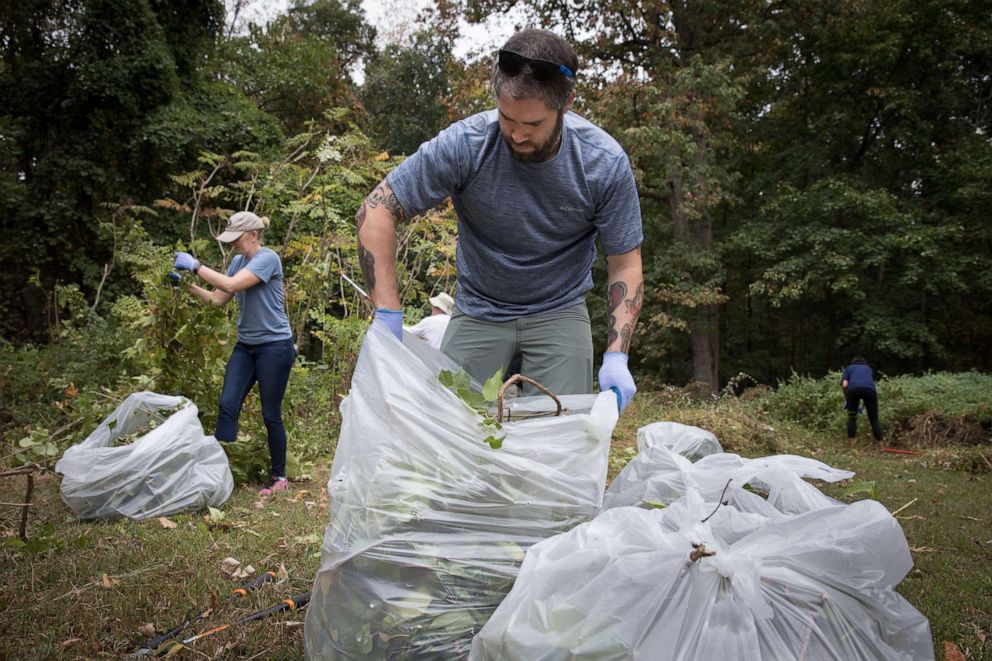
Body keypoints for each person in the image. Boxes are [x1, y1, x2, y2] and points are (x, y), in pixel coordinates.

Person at [356, 29, 644, 411]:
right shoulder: (466, 144)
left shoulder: (602, 163)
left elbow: (625, 262)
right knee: (453, 430)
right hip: (479, 308)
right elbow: (376, 209)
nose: (518, 134)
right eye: (508, 118)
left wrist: (617, 356)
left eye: (534, 124)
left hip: (559, 309)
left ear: (568, 103)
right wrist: (388, 315)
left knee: (557, 437)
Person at [173, 211, 297, 496]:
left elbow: (230, 285)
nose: (233, 246)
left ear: (253, 235)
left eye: (236, 240)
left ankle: (279, 477)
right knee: (228, 404)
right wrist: (185, 285)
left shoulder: (268, 259)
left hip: (275, 347)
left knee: (270, 413)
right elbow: (218, 299)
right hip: (246, 346)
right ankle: (217, 470)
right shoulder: (238, 261)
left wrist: (195, 265)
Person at [841, 356, 883, 446]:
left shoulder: (849, 368)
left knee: (852, 418)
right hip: (870, 391)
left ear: (853, 362)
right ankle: (881, 445)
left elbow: (845, 385)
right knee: (874, 419)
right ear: (864, 363)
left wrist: (847, 398)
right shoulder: (868, 369)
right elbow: (866, 388)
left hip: (852, 391)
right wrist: (863, 405)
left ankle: (851, 445)